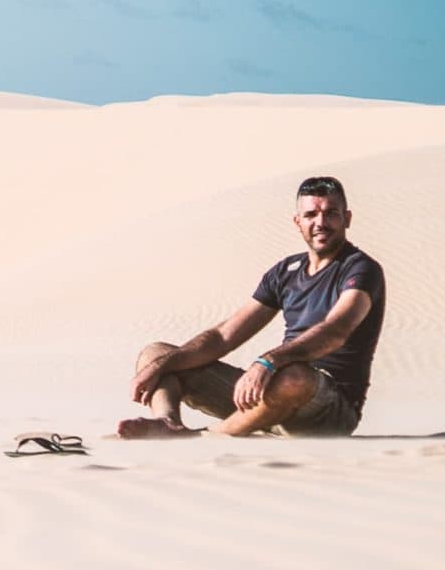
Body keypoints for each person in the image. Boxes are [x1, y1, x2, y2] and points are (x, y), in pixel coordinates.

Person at [118, 175, 385, 438]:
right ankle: (167, 423)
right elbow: (224, 337)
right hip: (269, 400)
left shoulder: (360, 269)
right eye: (311, 215)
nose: (321, 223)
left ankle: (204, 436)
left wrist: (269, 362)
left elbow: (336, 330)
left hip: (328, 410)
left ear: (347, 218)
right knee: (156, 355)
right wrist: (161, 366)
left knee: (294, 377)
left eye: (331, 213)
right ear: (297, 222)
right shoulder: (286, 272)